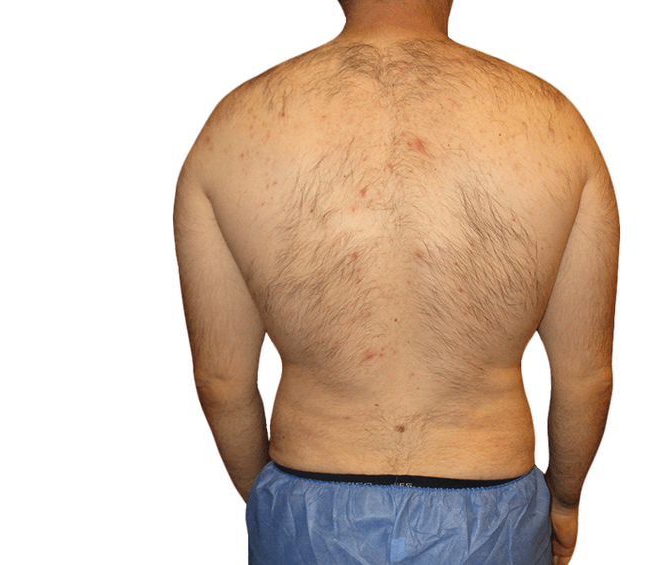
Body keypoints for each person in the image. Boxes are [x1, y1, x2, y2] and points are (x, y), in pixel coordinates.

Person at [173, 1, 618, 563]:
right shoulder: (557, 128)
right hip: (491, 515)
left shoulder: (232, 129)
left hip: (309, 510)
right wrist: (565, 502)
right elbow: (585, 378)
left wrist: (273, 508)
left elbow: (220, 383)